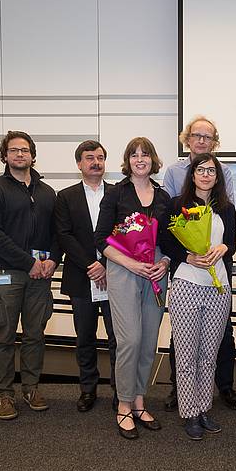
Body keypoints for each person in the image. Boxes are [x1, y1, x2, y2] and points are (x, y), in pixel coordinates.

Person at [0, 131, 60, 420]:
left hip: (41, 275)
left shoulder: (48, 193)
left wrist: (54, 260)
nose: (20, 155)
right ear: (5, 156)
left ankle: (31, 388)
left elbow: (58, 233)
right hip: (6, 273)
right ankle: (3, 394)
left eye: (25, 150)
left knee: (35, 334)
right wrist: (28, 262)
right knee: (3, 336)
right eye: (14, 150)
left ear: (33, 155)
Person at [94, 137, 172, 440]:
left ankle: (140, 401)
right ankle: (123, 404)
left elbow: (170, 241)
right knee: (129, 340)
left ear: (153, 159)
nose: (140, 159)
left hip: (155, 271)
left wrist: (164, 262)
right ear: (128, 160)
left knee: (149, 339)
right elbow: (101, 240)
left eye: (145, 154)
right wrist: (130, 264)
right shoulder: (115, 194)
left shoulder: (164, 197)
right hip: (124, 269)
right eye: (134, 155)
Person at [163, 115, 236, 411]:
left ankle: (221, 390)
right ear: (188, 139)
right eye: (196, 135)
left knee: (220, 339)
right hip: (186, 276)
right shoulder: (173, 173)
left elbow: (230, 239)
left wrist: (221, 247)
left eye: (207, 137)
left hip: (217, 280)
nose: (201, 140)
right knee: (183, 343)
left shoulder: (226, 198)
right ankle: (181, 396)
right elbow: (171, 225)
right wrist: (188, 255)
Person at [55, 140, 118, 413]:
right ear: (79, 164)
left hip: (115, 275)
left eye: (101, 157)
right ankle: (88, 389)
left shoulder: (118, 194)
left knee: (118, 339)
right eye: (90, 157)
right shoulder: (65, 196)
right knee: (85, 338)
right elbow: (64, 235)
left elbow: (125, 233)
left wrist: (105, 263)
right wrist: (92, 264)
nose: (96, 162)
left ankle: (121, 390)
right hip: (81, 277)